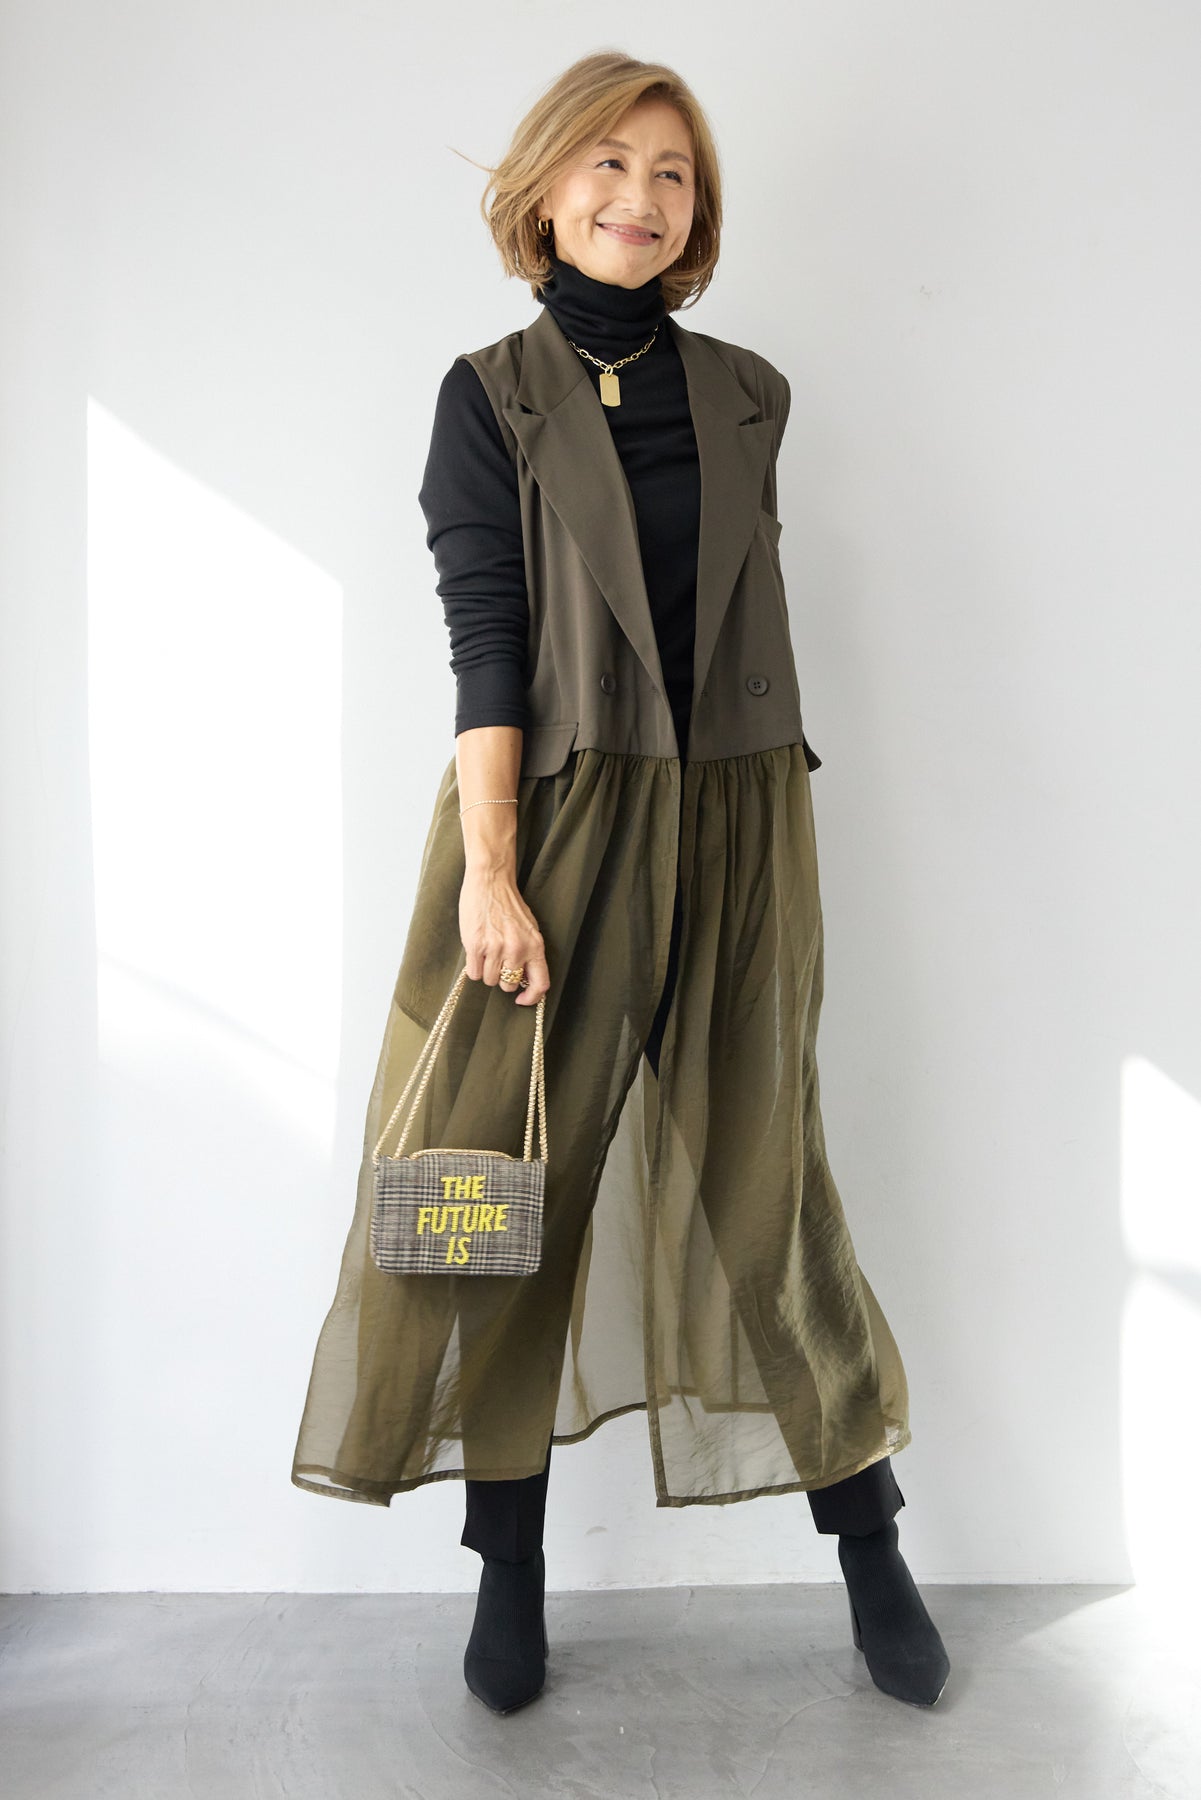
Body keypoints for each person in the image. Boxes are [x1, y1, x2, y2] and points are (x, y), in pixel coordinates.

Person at [291, 49, 950, 1716]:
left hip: (738, 822)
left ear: (695, 211)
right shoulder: (486, 396)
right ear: (541, 188)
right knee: (507, 1196)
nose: (638, 198)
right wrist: (491, 874)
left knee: (765, 1186)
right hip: (555, 825)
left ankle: (870, 1543)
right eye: (606, 163)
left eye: (670, 173)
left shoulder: (749, 395)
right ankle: (505, 1567)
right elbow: (488, 637)